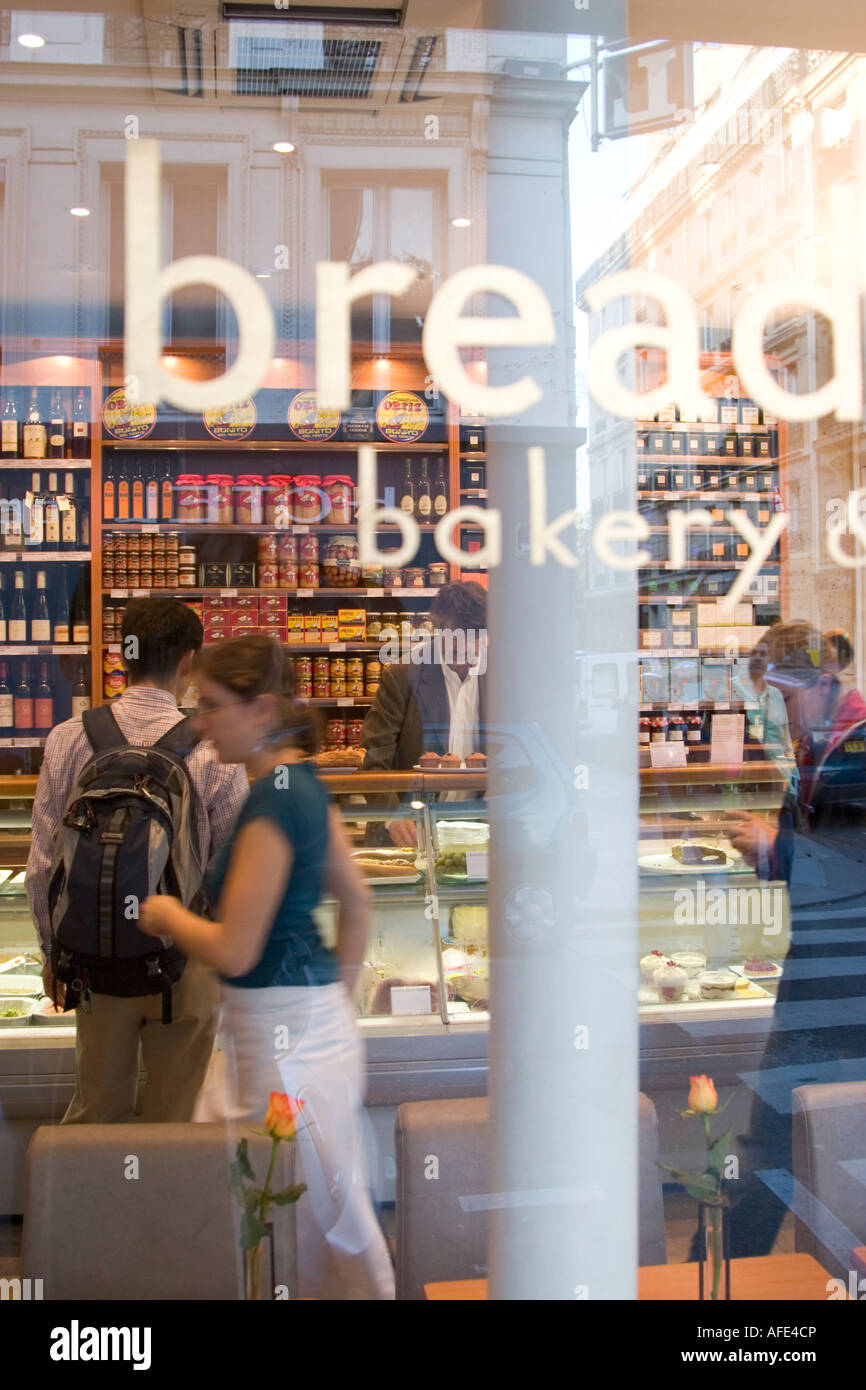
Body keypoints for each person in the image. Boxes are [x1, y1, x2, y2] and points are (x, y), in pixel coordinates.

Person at [138, 634, 395, 1300]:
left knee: (267, 1207)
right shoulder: (301, 785)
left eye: (214, 707)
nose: (199, 723)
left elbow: (235, 949)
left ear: (261, 710)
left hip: (273, 1038)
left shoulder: (270, 805)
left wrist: (166, 915)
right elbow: (358, 900)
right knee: (311, 1208)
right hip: (301, 1030)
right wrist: (329, 1005)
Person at [25, 597, 249, 1124]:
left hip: (94, 958)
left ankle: (96, 1204)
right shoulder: (215, 749)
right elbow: (230, 874)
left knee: (96, 1117)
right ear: (189, 661)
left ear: (123, 656)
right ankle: (165, 1206)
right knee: (176, 1122)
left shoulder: (67, 739)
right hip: (184, 962)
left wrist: (53, 955)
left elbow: (41, 865)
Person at [360, 580, 488, 846]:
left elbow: (516, 752)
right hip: (410, 829)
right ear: (438, 630)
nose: (466, 649)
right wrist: (393, 816)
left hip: (478, 828)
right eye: (456, 639)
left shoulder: (502, 677)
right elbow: (374, 758)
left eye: (475, 638)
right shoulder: (403, 676)